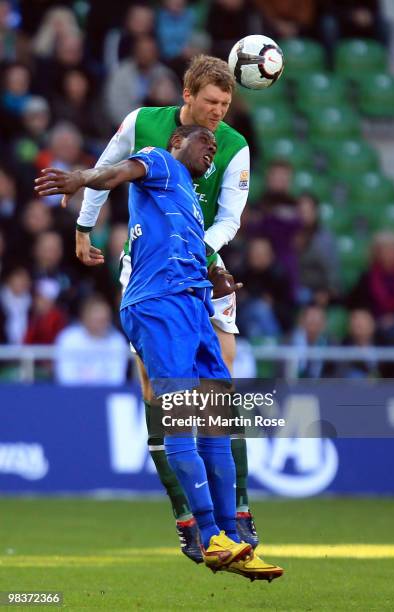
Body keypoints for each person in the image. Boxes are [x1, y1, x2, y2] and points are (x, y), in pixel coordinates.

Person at [35, 123, 284, 582]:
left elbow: (185, 248)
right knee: (181, 415)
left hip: (192, 305)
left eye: (214, 147)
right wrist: (79, 179)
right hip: (159, 305)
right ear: (176, 141)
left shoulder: (189, 197)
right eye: (203, 141)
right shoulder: (160, 161)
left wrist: (217, 277)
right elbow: (118, 173)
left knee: (217, 415)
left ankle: (232, 538)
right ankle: (210, 535)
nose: (211, 147)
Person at [64, 54, 257, 563]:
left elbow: (230, 219)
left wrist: (201, 253)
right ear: (187, 96)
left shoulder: (235, 148)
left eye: (227, 104)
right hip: (151, 269)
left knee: (221, 383)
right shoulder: (144, 125)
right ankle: (187, 516)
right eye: (211, 103)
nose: (219, 113)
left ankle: (237, 512)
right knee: (159, 389)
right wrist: (84, 229)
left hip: (206, 261)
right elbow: (108, 169)